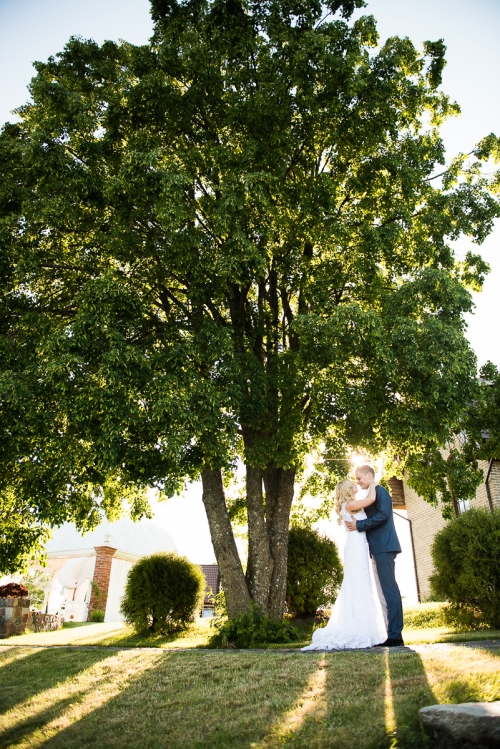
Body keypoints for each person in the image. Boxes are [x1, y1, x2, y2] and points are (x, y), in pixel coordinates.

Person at [301, 476, 387, 650]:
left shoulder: (351, 504)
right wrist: (373, 483)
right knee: (357, 586)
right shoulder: (348, 505)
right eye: (353, 484)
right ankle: (355, 629)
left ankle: (364, 628)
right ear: (348, 489)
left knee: (362, 586)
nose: (356, 485)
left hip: (360, 547)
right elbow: (370, 499)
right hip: (355, 549)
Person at [344, 465, 404, 646]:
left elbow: (383, 516)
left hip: (384, 547)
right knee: (383, 593)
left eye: (360, 478)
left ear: (369, 475)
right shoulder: (371, 495)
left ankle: (395, 636)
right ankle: (390, 634)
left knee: (389, 591)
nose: (358, 481)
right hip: (376, 549)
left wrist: (360, 526)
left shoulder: (381, 491)